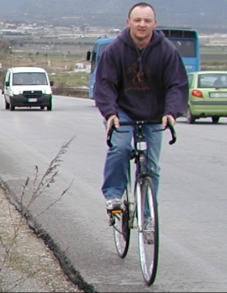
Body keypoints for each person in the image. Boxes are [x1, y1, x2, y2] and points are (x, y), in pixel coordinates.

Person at [94, 2, 188, 222]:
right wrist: (110, 114)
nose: (142, 25)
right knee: (121, 148)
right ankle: (114, 195)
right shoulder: (115, 50)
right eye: (137, 20)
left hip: (154, 114)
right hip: (123, 112)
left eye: (147, 20)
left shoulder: (167, 51)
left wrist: (171, 112)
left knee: (151, 165)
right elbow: (105, 84)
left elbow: (176, 84)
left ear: (154, 23)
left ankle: (147, 217)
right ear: (129, 23)